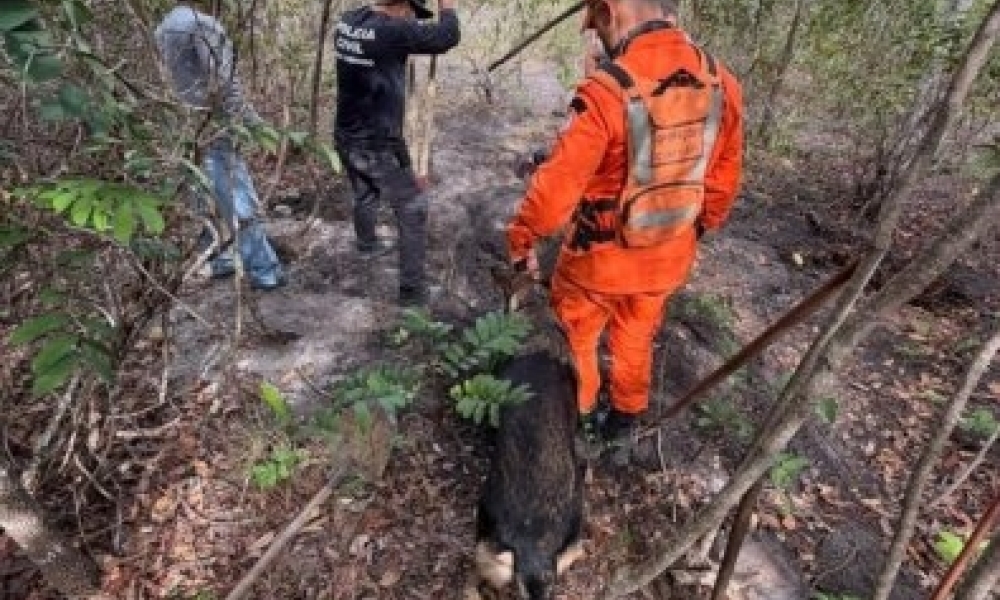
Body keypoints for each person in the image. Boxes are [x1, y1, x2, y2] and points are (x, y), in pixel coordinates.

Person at [506, 0, 743, 444]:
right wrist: (697, 229)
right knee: (636, 333)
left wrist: (521, 240)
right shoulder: (721, 81)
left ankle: (577, 421)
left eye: (597, 27)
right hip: (669, 255)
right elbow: (723, 180)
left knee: (577, 337)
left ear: (611, 11)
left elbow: (554, 195)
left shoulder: (606, 92)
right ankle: (624, 423)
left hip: (598, 262)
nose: (599, 39)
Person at [333, 0, 461, 307]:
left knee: (364, 191)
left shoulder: (348, 21)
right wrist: (448, 6)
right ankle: (411, 293)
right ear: (402, 5)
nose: (413, 20)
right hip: (375, 143)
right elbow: (448, 36)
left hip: (346, 133)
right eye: (412, 13)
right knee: (413, 208)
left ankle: (366, 244)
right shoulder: (392, 32)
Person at [155, 2, 286, 290]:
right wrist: (255, 125)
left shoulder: (166, 23)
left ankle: (217, 257)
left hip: (186, 125)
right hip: (214, 125)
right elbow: (225, 84)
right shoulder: (203, 25)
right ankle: (265, 271)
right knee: (237, 195)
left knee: (201, 195)